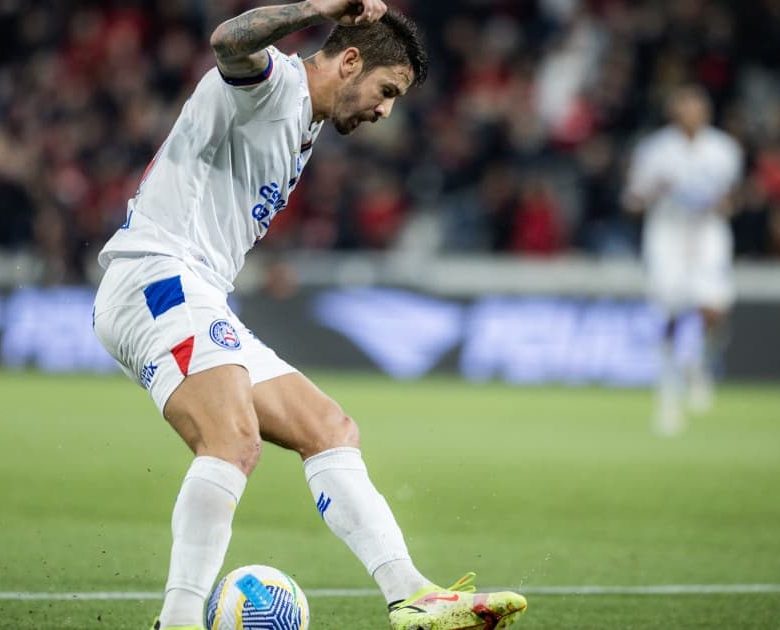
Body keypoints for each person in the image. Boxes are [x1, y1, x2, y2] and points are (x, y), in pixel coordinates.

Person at [90, 2, 527, 629]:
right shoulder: (274, 87)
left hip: (199, 288)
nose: (385, 110)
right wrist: (321, 7)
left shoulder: (307, 119)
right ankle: (179, 621)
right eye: (386, 90)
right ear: (349, 60)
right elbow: (227, 40)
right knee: (232, 441)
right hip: (156, 276)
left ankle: (410, 593)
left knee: (329, 427)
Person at [624, 86, 744, 436]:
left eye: (696, 107)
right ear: (673, 112)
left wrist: (724, 204)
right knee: (670, 313)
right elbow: (632, 199)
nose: (690, 114)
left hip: (707, 234)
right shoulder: (655, 150)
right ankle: (668, 393)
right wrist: (651, 192)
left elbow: (734, 196)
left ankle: (698, 363)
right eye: (684, 108)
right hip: (667, 235)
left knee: (713, 309)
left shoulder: (724, 149)